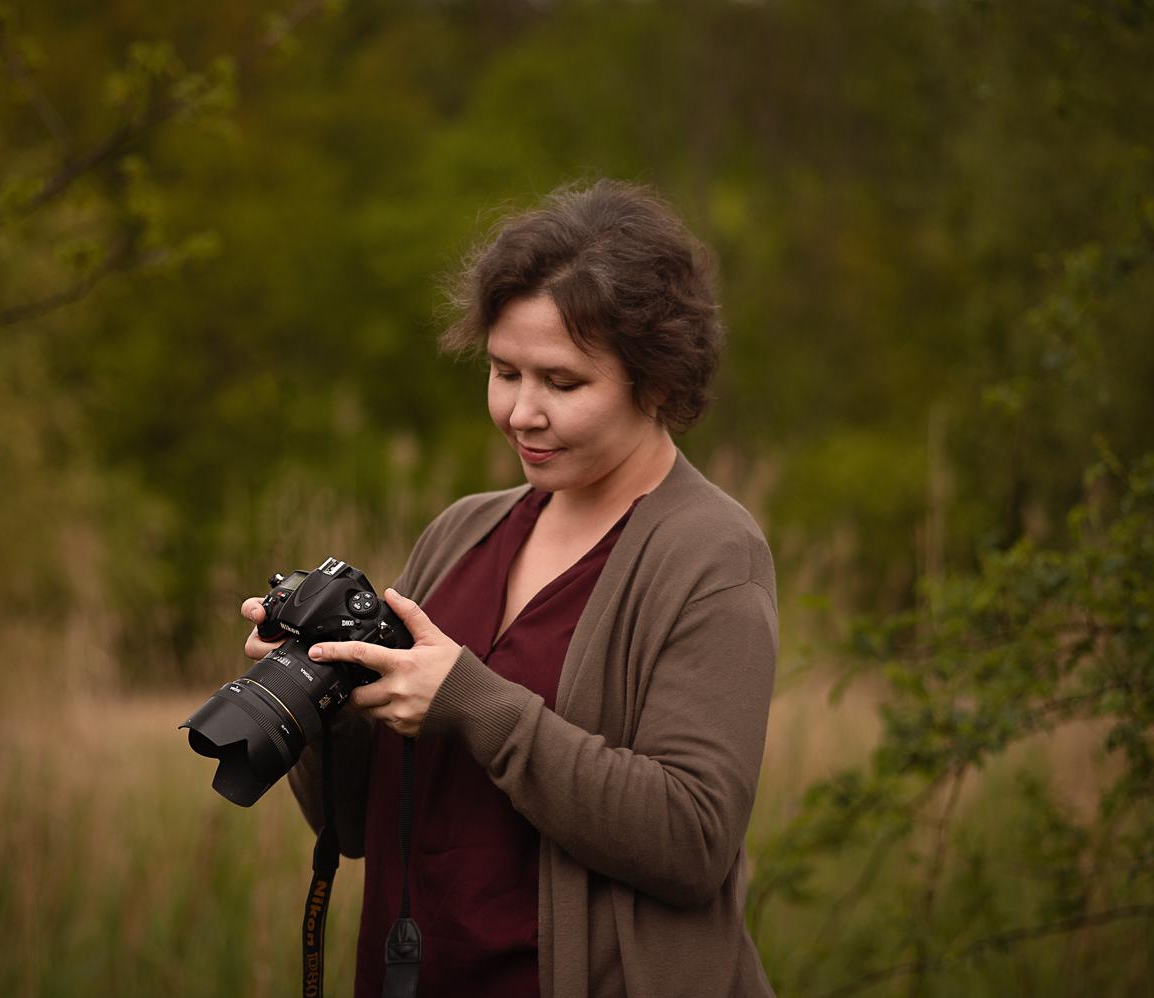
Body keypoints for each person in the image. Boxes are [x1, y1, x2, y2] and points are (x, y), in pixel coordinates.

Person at [241, 179, 778, 997]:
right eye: (503, 372)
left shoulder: (710, 554)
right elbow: (354, 828)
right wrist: (320, 701)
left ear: (658, 381)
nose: (522, 412)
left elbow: (691, 841)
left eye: (562, 384)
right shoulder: (462, 532)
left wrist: (475, 705)